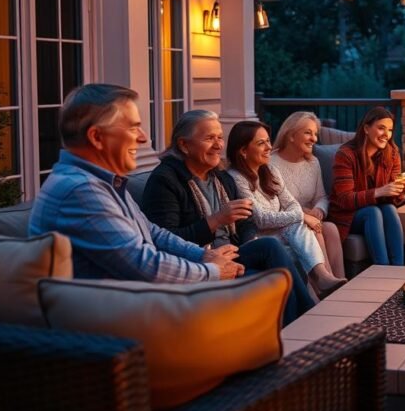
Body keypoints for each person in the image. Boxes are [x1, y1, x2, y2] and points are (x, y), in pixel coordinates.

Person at [30, 85, 241, 285]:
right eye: (134, 128)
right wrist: (212, 271)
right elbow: (145, 265)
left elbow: (153, 233)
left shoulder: (104, 182)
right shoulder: (81, 189)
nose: (143, 138)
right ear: (96, 137)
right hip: (115, 314)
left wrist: (204, 255)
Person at [141, 109, 315, 325]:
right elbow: (165, 240)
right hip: (198, 259)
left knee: (269, 249)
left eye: (220, 138)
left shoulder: (221, 178)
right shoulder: (166, 181)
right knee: (272, 260)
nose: (218, 145)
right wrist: (216, 221)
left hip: (231, 252)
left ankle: (301, 325)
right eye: (209, 138)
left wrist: (248, 242)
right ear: (184, 145)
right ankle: (307, 321)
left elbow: (246, 223)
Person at [227, 120, 346, 295]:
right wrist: (302, 216)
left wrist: (298, 216)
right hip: (260, 239)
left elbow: (291, 203)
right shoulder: (236, 178)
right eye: (261, 143)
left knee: (300, 225)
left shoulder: (270, 171)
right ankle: (319, 284)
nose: (268, 147)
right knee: (300, 224)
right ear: (243, 151)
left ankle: (321, 277)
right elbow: (261, 219)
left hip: (281, 230)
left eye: (268, 141)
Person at [328, 107, 405, 265]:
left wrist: (402, 191)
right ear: (366, 128)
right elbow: (344, 199)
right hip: (348, 215)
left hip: (379, 211)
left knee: (389, 209)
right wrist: (378, 192)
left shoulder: (392, 153)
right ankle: (382, 270)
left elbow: (392, 200)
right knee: (373, 212)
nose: (386, 135)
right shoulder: (345, 155)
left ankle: (398, 270)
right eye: (381, 128)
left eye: (390, 130)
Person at [271, 111, 345, 282]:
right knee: (315, 229)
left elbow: (322, 196)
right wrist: (303, 212)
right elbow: (274, 204)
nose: (314, 139)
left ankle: (339, 281)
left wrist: (319, 209)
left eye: (315, 134)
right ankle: (324, 285)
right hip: (287, 223)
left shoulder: (313, 162)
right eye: (308, 133)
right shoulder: (270, 163)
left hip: (311, 218)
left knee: (331, 228)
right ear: (290, 136)